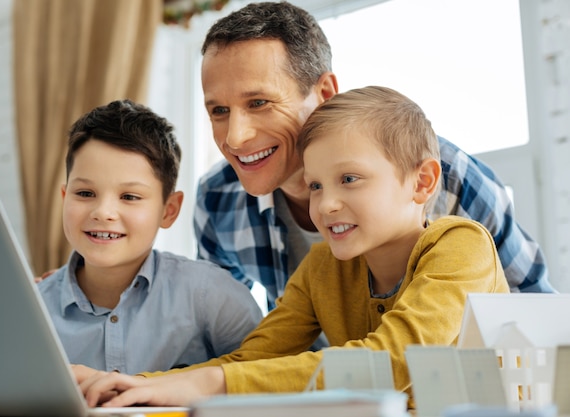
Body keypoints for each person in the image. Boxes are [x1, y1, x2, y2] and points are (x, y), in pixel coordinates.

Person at [73, 86, 511, 408]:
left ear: (422, 182)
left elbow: (398, 361)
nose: (326, 204)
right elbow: (253, 356)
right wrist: (131, 385)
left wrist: (208, 385)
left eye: (349, 179)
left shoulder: (460, 245)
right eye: (316, 185)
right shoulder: (323, 265)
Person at [193, 1, 555, 312]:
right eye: (219, 111)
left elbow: (538, 321)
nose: (235, 137)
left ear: (324, 94)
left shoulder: (444, 177)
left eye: (259, 103)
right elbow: (221, 337)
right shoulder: (217, 200)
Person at [37, 99, 263, 375]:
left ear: (168, 211)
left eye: (129, 197)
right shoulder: (30, 310)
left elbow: (262, 384)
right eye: (85, 194)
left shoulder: (214, 297)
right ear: (64, 198)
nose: (104, 212)